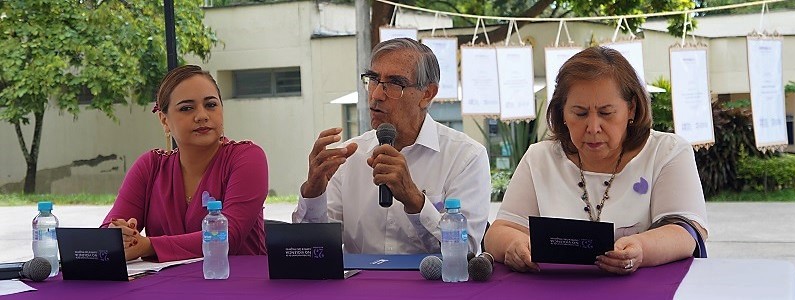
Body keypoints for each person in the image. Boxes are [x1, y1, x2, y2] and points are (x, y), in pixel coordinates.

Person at [484, 46, 708, 275]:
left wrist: (640, 248)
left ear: (631, 109)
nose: (593, 128)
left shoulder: (667, 151)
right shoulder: (540, 158)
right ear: (562, 113)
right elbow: (499, 232)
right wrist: (514, 245)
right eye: (580, 113)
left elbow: (685, 232)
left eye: (606, 112)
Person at [292, 38, 491, 254]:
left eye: (394, 84)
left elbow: (466, 252)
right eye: (373, 80)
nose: (376, 95)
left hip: (431, 286)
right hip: (360, 286)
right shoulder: (349, 156)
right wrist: (313, 193)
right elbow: (313, 250)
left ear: (427, 94)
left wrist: (414, 200)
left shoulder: (465, 156)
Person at [101, 65, 268, 262]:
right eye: (187, 108)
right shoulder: (150, 167)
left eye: (211, 105)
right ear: (164, 120)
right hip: (165, 288)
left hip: (237, 285)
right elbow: (106, 236)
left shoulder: (247, 158)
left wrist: (149, 246)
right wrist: (121, 235)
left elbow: (228, 235)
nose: (202, 115)